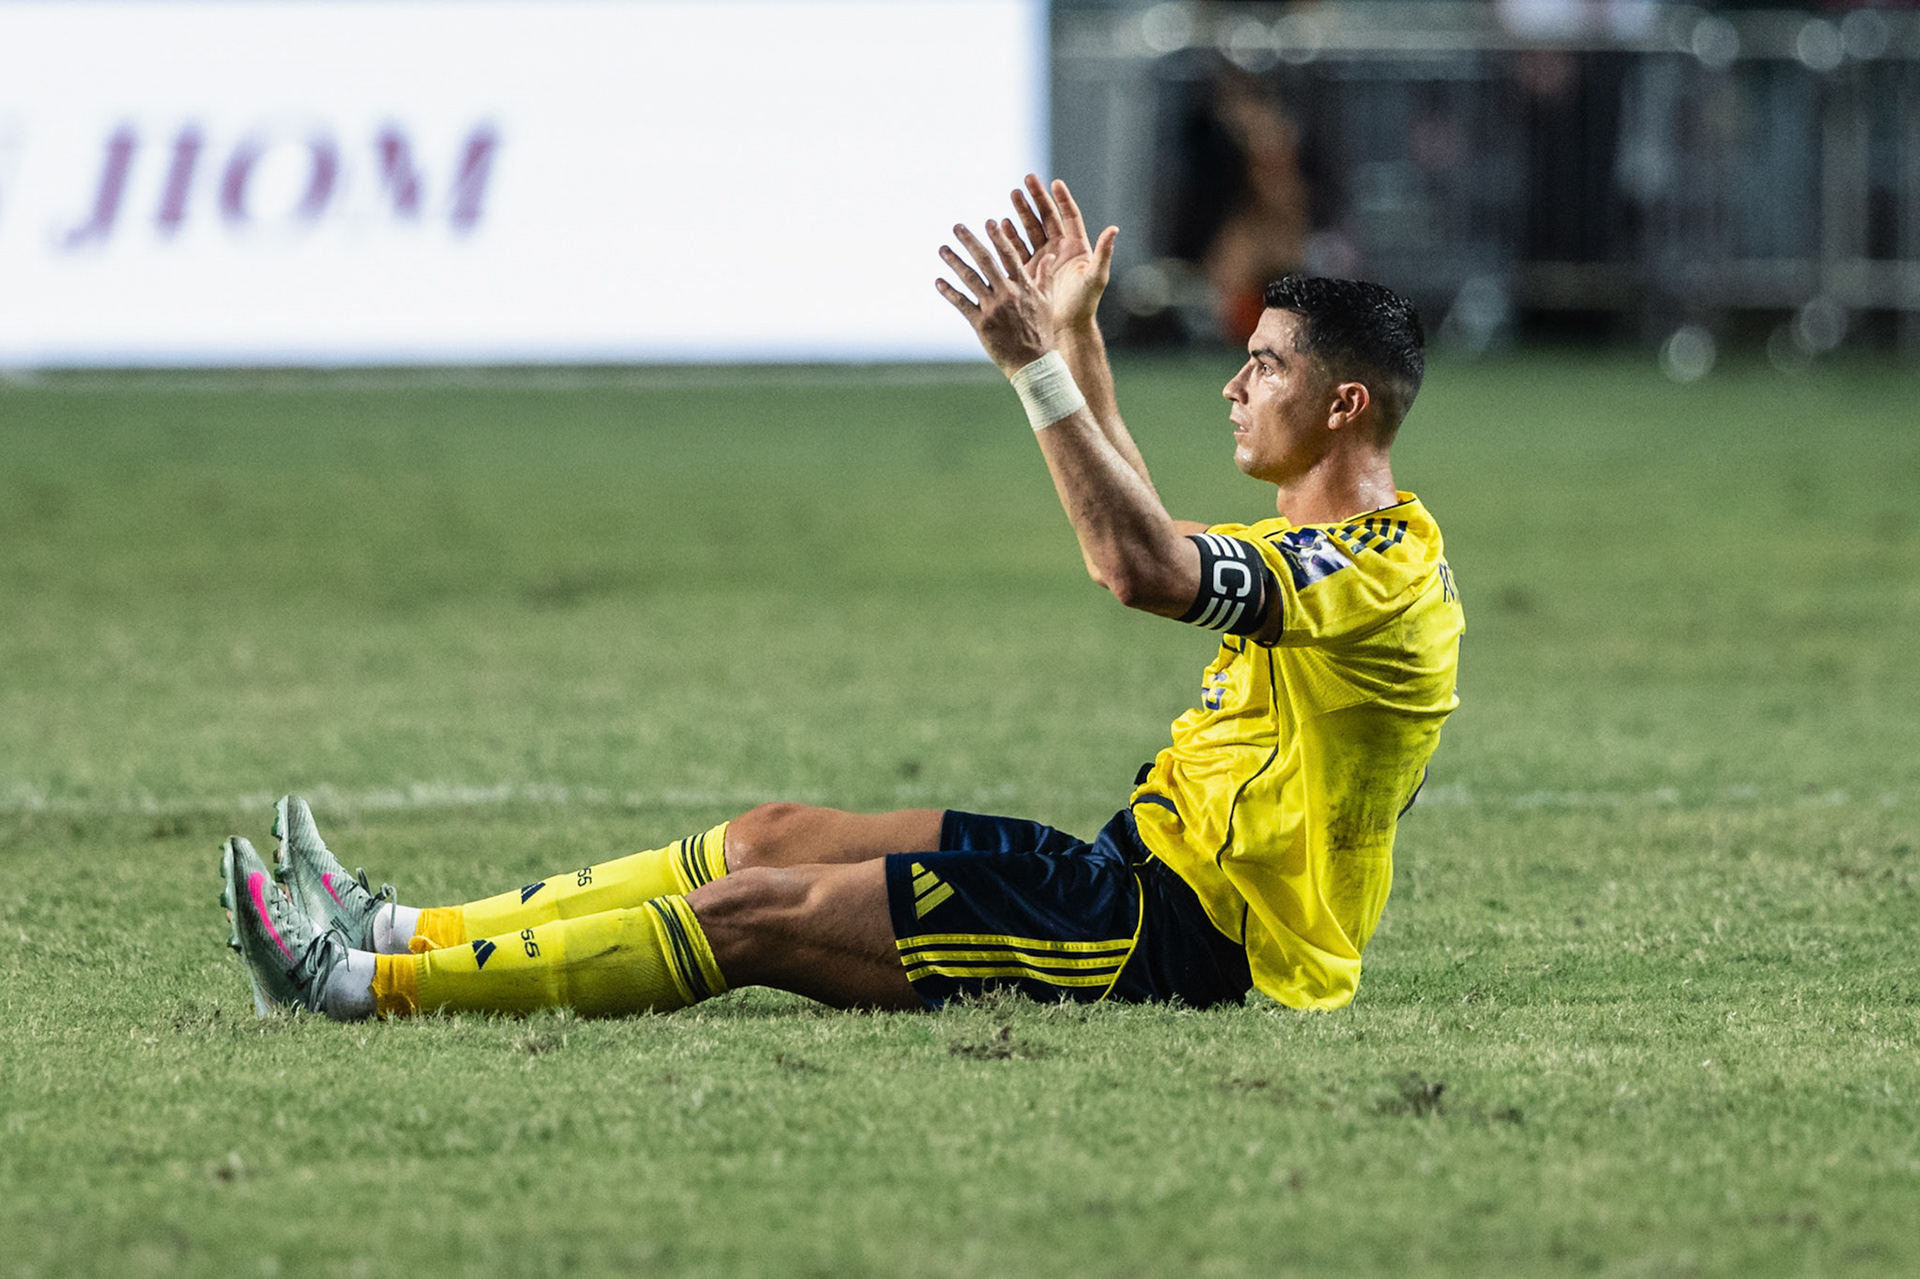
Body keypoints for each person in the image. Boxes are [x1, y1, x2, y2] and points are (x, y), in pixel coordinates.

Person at [220, 176, 1463, 1021]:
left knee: (756, 913)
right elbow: (1150, 524)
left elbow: (1135, 566)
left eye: (1263, 365)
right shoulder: (1327, 553)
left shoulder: (1378, 576)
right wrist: (1077, 339)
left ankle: (355, 988)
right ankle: (395, 926)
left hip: (1194, 950)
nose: (1234, 386)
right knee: (770, 832)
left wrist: (1034, 369)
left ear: (1344, 404)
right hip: (1129, 869)